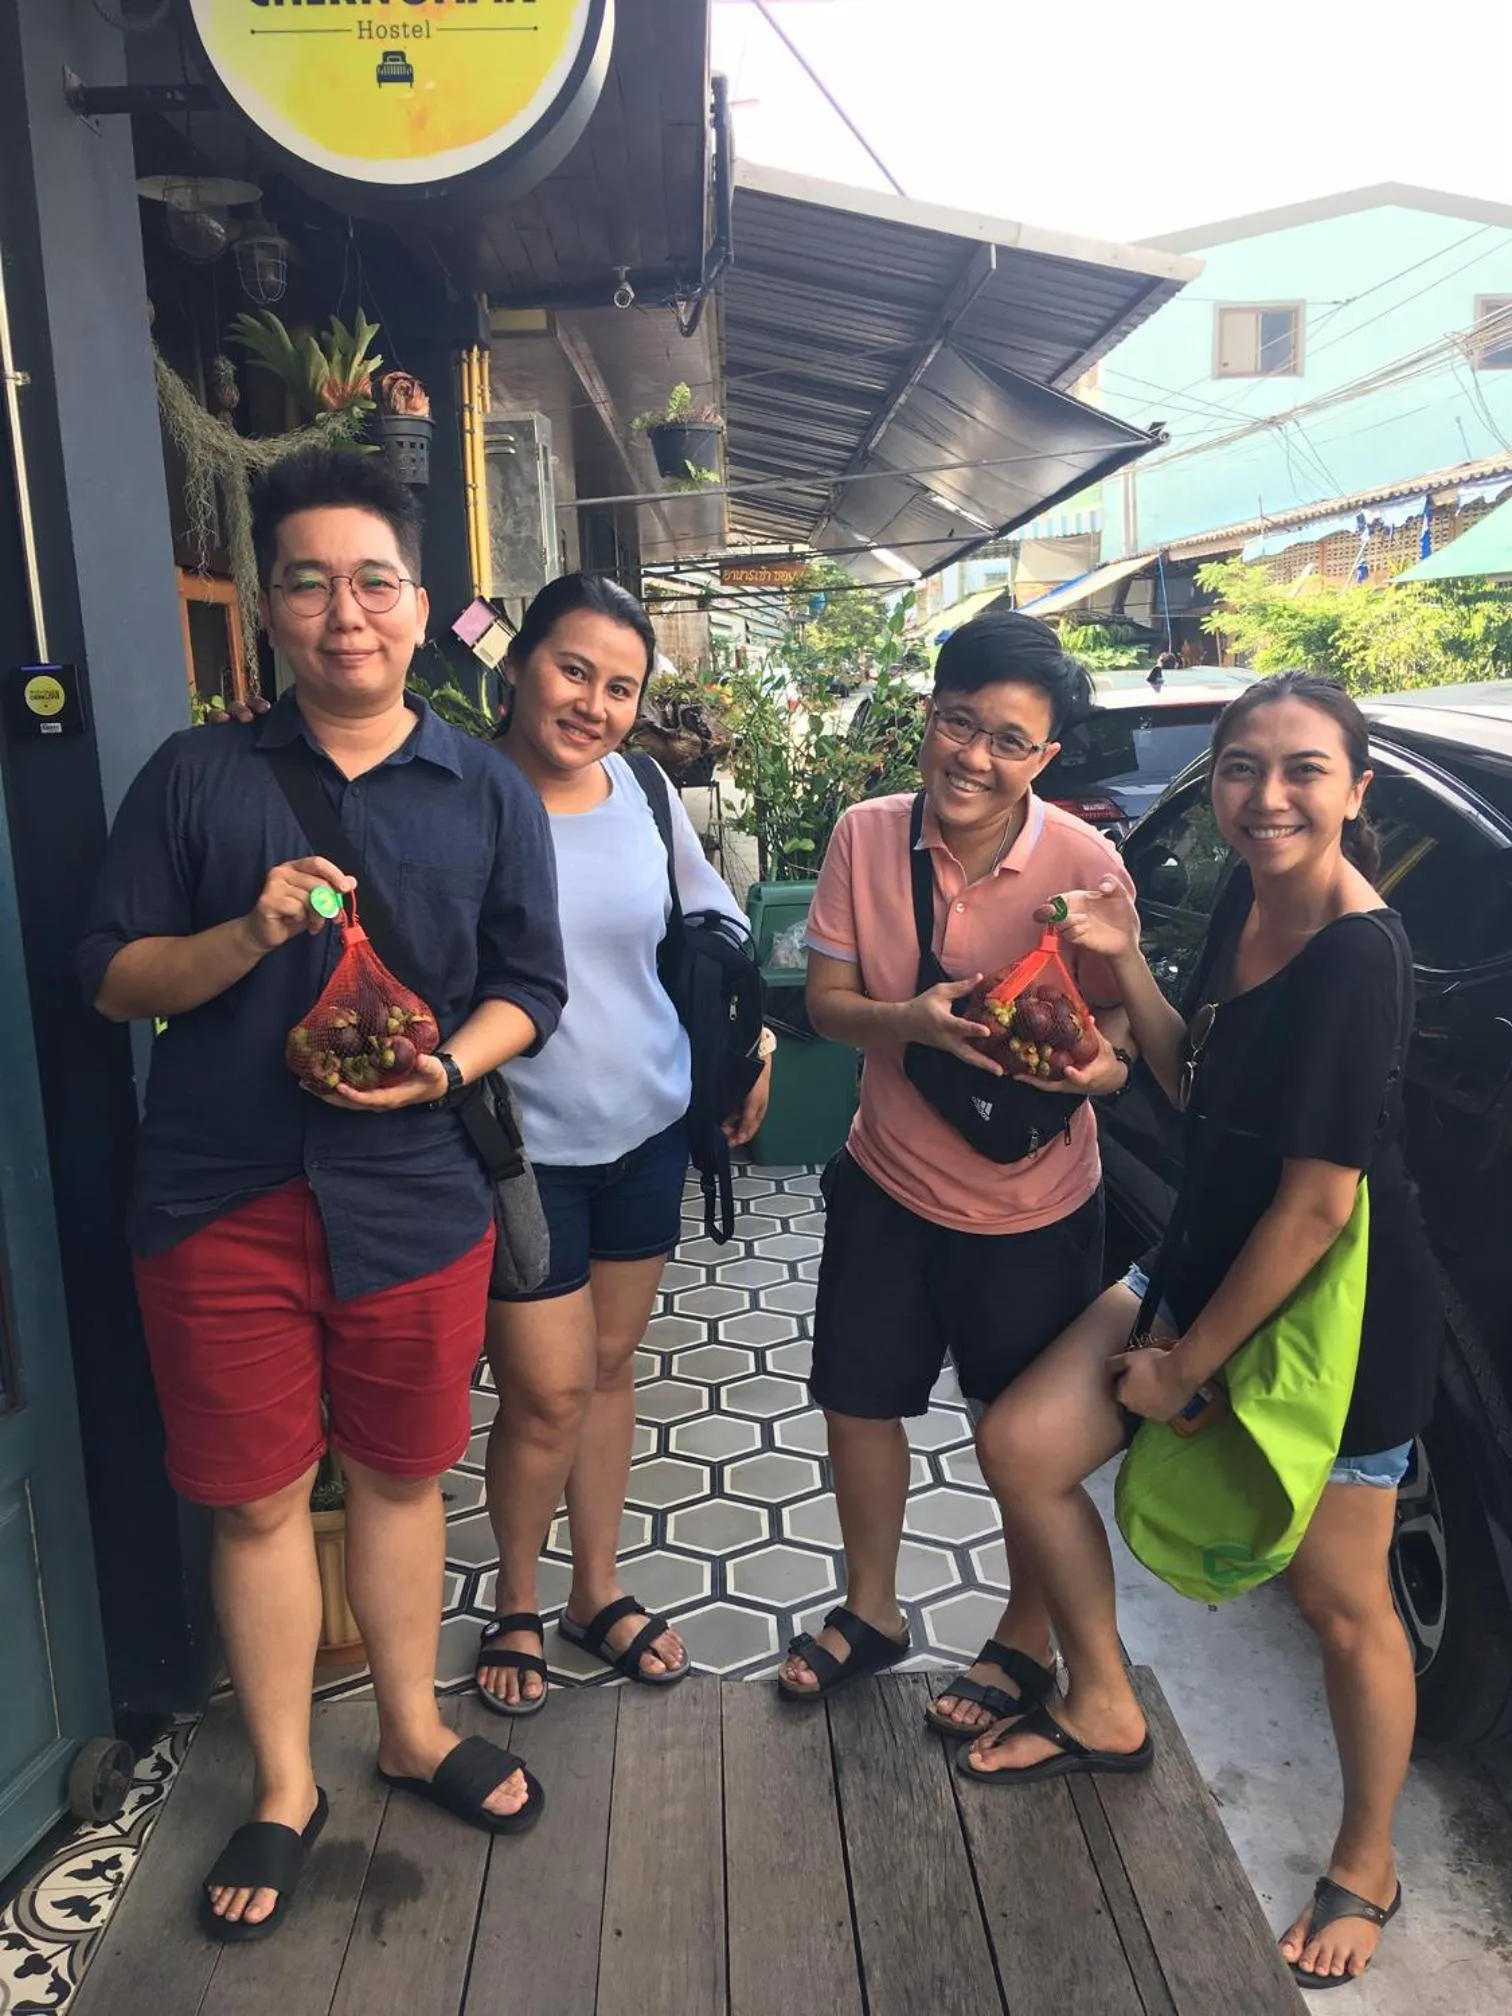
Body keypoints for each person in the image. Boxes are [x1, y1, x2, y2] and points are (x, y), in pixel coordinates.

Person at [78, 449, 568, 1942]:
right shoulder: (196, 778)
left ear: (419, 607)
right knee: (257, 1502)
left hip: (416, 1192)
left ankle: (410, 1729)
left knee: (408, 1477)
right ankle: (287, 1782)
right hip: (221, 1205)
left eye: (371, 582)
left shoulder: (483, 786)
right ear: (270, 611)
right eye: (308, 581)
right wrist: (247, 929)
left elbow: (527, 988)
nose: (342, 612)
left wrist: (444, 1073)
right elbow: (109, 981)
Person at [962, 671, 1438, 1994]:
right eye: (1242, 769)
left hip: (1327, 1332)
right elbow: (1192, 1083)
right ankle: (1104, 1704)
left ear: (1358, 790)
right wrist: (1117, 962)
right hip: (1204, 1274)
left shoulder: (1356, 954)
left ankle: (1369, 1855)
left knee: (1340, 1606)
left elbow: (1313, 1206)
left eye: (1301, 771)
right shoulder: (1246, 893)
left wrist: (1184, 1368)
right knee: (1024, 1446)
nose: (1266, 797)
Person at [777, 612, 1137, 1716]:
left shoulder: (1087, 868)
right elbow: (830, 1010)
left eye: (1009, 740)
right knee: (857, 1399)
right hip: (886, 1180)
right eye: (957, 723)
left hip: (1036, 1210)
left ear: (1046, 758)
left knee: (1014, 1437)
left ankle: (1024, 1640)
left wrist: (1087, 1072)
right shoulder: (864, 835)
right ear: (927, 718)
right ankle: (872, 1608)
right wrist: (915, 1023)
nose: (974, 757)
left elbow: (1123, 1049)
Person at [473, 575, 772, 1714]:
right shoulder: (457, 791)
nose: (592, 702)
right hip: (518, 1149)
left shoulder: (642, 788)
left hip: (645, 1127)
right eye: (571, 670)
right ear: (518, 667)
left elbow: (715, 920)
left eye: (620, 686)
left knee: (606, 1370)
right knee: (543, 1392)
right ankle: (513, 1596)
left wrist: (750, 1042)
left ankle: (593, 1590)